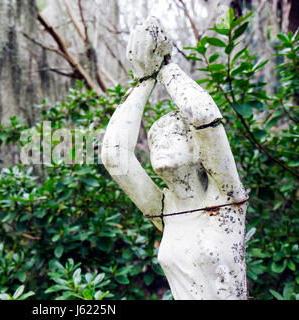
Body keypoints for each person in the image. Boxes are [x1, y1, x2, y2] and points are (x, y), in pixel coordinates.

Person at [101, 16, 248, 300]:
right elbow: (113, 155)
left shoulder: (225, 196)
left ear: (197, 148)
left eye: (172, 135)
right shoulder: (166, 209)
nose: (159, 142)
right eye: (154, 139)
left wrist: (166, 65)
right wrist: (144, 79)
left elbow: (203, 116)